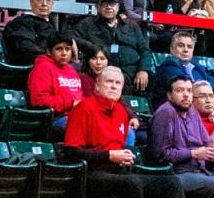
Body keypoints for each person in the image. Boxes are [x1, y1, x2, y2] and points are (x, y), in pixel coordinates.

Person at [62, 62, 183, 198]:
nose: (113, 86)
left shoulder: (121, 111)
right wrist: (109, 155)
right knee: (131, 183)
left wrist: (125, 157)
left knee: (171, 183)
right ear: (97, 86)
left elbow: (118, 147)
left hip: (118, 172)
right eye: (109, 82)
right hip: (90, 173)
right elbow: (70, 152)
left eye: (118, 83)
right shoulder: (83, 109)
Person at [149, 77, 214, 198]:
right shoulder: (165, 113)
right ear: (169, 95)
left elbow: (209, 144)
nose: (185, 95)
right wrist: (193, 153)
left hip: (200, 171)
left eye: (189, 91)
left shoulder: (192, 112)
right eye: (179, 90)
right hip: (175, 173)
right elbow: (160, 154)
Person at [29, 31, 86, 133]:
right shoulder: (43, 68)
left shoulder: (72, 70)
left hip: (76, 116)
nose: (64, 53)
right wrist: (71, 103)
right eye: (59, 49)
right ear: (49, 51)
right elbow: (39, 100)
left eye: (67, 49)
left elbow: (80, 98)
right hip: (54, 120)